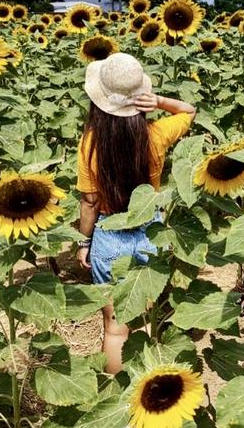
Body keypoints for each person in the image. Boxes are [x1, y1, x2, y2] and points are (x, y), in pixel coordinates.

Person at [74, 52, 196, 374]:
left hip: (110, 237)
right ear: (138, 100)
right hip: (149, 234)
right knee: (142, 322)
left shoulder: (90, 143)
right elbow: (189, 111)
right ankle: (145, 390)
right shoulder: (155, 135)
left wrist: (83, 242)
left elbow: (89, 202)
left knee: (115, 327)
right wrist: (156, 101)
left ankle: (119, 395)